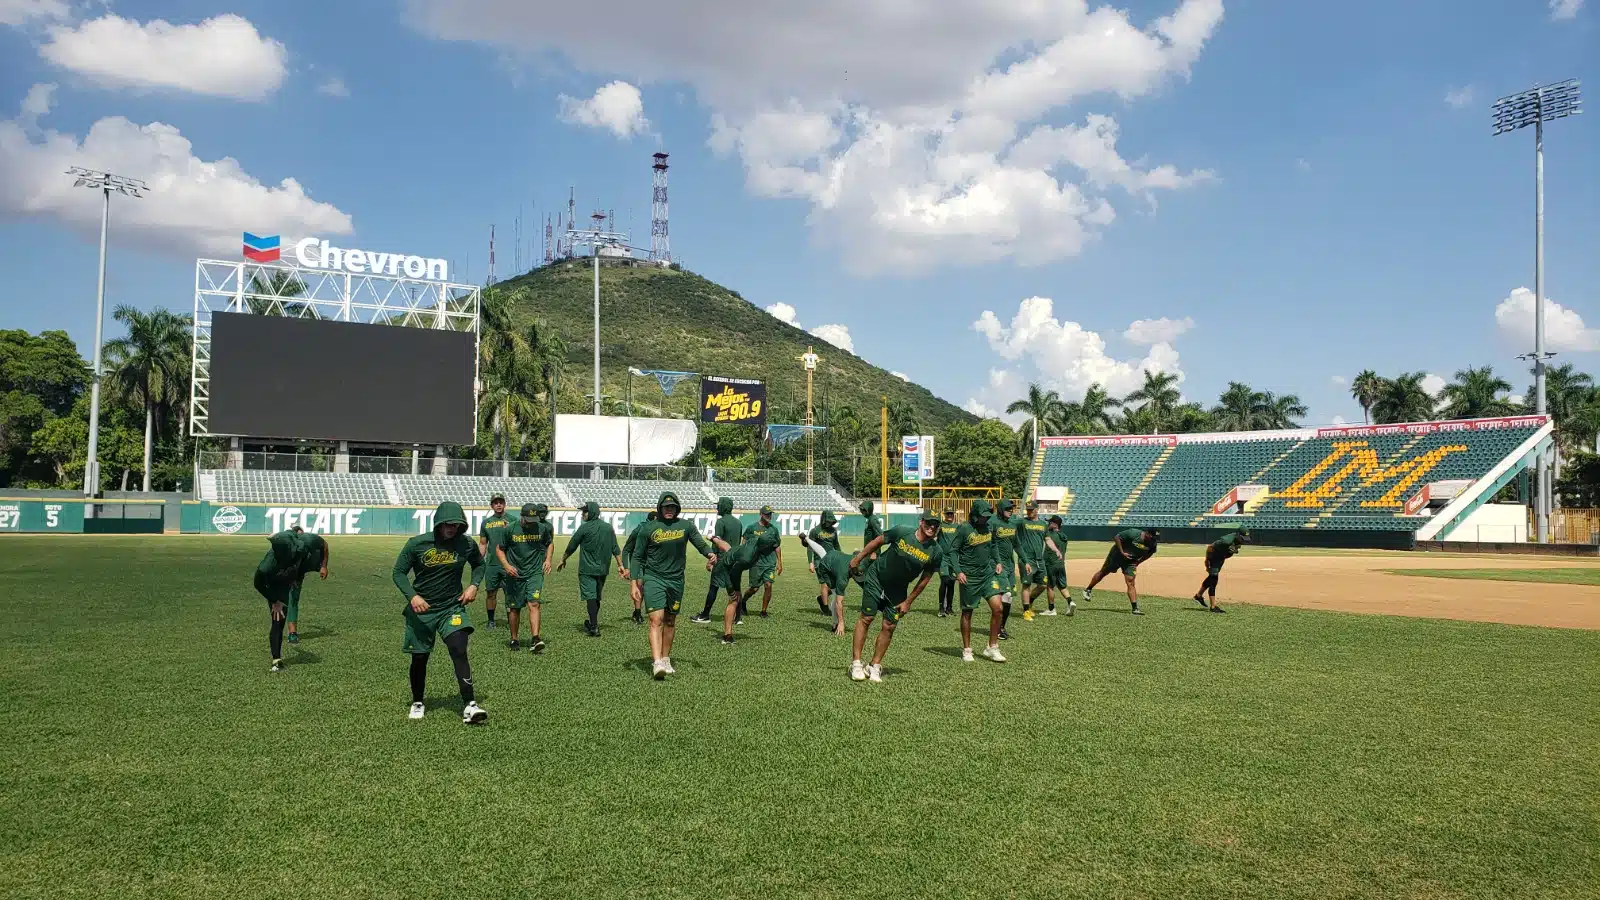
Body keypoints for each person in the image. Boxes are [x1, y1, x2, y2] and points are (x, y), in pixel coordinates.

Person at [393, 501, 487, 723]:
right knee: (419, 657)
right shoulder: (417, 544)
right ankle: (418, 701)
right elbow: (398, 572)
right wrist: (413, 597)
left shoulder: (466, 544)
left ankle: (470, 705)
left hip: (451, 607)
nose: (452, 529)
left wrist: (474, 585)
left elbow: (479, 565)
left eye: (456, 525)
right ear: (438, 524)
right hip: (422, 610)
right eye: (447, 524)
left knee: (459, 647)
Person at [628, 492, 729, 679]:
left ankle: (666, 659)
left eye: (673, 507)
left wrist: (709, 553)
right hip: (654, 578)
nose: (669, 510)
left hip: (676, 581)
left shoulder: (685, 526)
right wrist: (634, 584)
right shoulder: (648, 528)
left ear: (677, 509)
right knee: (655, 619)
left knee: (670, 620)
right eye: (666, 507)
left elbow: (699, 543)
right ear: (660, 508)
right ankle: (657, 662)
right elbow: (637, 557)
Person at [847, 510, 945, 683]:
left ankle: (874, 665)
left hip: (899, 590)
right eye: (929, 522)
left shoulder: (936, 552)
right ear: (921, 522)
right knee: (867, 618)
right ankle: (856, 664)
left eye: (936, 524)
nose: (932, 527)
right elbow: (878, 541)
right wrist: (859, 558)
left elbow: (925, 579)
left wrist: (908, 601)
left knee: (889, 625)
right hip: (876, 577)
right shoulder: (902, 531)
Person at [252, 525, 328, 672]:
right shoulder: (267, 565)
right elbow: (258, 584)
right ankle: (277, 660)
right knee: (278, 619)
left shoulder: (306, 541)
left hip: (291, 577)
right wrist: (275, 601)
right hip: (275, 584)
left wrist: (323, 566)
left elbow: (323, 544)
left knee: (284, 612)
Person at [949, 500, 1007, 664]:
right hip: (969, 577)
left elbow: (994, 544)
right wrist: (958, 571)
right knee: (967, 613)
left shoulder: (989, 527)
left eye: (987, 516)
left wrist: (997, 561)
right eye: (982, 516)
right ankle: (967, 650)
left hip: (988, 575)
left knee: (998, 608)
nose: (985, 519)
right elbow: (952, 551)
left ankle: (992, 647)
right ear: (974, 515)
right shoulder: (964, 529)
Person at [494, 502, 555, 653]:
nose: (531, 523)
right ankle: (514, 638)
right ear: (522, 516)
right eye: (528, 520)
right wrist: (507, 566)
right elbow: (499, 550)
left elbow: (549, 544)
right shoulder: (510, 529)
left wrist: (548, 560)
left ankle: (536, 638)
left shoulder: (542, 528)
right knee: (514, 608)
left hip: (534, 572)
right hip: (515, 574)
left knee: (534, 603)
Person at [559, 501, 623, 635]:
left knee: (591, 597)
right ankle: (592, 622)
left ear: (592, 512)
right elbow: (615, 548)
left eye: (584, 512)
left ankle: (594, 626)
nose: (582, 514)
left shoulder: (584, 528)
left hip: (587, 569)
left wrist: (563, 559)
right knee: (596, 597)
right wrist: (620, 565)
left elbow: (572, 545)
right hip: (602, 569)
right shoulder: (608, 527)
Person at [717, 525, 784, 644]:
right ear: (765, 547)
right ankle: (727, 636)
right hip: (727, 569)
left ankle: (714, 538)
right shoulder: (747, 558)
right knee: (733, 600)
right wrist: (732, 589)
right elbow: (732, 572)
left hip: (733, 561)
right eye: (771, 547)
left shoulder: (757, 541)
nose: (772, 550)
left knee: (737, 598)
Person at [691, 497, 745, 625]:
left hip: (723, 559)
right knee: (736, 588)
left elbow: (717, 541)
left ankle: (705, 615)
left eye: (718, 505)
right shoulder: (738, 523)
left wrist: (711, 559)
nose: (717, 508)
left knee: (714, 587)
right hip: (735, 560)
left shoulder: (720, 522)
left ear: (723, 507)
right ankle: (737, 617)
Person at [1082, 527, 1159, 615]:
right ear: (1147, 533)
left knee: (1131, 581)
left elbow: (1150, 553)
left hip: (1131, 561)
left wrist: (1138, 562)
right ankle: (1088, 589)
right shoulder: (1133, 533)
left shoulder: (1153, 543)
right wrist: (1122, 552)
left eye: (1155, 538)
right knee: (1104, 572)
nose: (1153, 539)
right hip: (1116, 556)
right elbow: (1117, 537)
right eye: (1152, 537)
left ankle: (1135, 608)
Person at [800, 527, 852, 637]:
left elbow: (822, 551)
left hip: (834, 558)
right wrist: (841, 623)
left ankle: (835, 623)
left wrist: (807, 540)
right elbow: (839, 602)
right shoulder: (843, 572)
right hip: (828, 565)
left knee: (835, 594)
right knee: (836, 595)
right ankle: (835, 624)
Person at [1195, 528, 1250, 613]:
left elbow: (1229, 553)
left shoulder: (1238, 541)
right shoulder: (1226, 541)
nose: (1243, 541)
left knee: (1211, 577)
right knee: (1214, 580)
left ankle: (1198, 596)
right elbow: (1210, 547)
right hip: (1214, 556)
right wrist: (1207, 560)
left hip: (1220, 557)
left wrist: (1231, 552)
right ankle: (1213, 606)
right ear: (1238, 535)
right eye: (1242, 538)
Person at [990, 499, 1022, 639]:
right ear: (1001, 509)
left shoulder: (1013, 524)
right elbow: (991, 544)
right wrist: (997, 561)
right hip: (998, 566)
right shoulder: (993, 523)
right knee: (1006, 595)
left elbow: (1017, 545)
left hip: (1010, 566)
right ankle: (999, 627)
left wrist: (1025, 561)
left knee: (1008, 599)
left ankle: (1001, 627)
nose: (1011, 511)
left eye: (1012, 509)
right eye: (1008, 508)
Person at [744, 505, 783, 618]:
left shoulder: (773, 530)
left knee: (768, 585)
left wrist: (780, 563)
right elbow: (744, 542)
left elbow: (777, 546)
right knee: (754, 588)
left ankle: (763, 611)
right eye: (766, 514)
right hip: (755, 562)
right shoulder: (751, 528)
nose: (769, 516)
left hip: (770, 563)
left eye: (770, 514)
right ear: (761, 514)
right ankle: (743, 601)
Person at [478, 494, 510, 628]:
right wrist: (479, 560)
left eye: (501, 502)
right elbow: (483, 543)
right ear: (491, 505)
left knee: (510, 594)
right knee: (491, 593)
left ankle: (511, 620)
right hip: (492, 564)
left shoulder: (513, 520)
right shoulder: (486, 522)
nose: (498, 505)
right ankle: (491, 621)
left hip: (509, 564)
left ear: (504, 504)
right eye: (495, 502)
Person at [620, 511, 657, 625]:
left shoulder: (660, 531)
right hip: (639, 562)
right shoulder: (639, 530)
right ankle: (637, 613)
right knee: (639, 586)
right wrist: (626, 567)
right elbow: (626, 549)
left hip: (652, 563)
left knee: (651, 587)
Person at [806, 510, 843, 617]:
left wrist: (841, 558)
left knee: (836, 585)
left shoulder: (833, 531)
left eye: (832, 521)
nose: (830, 523)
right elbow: (810, 547)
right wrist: (810, 562)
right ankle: (826, 608)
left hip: (832, 560)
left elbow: (836, 545)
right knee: (825, 584)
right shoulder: (815, 531)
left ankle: (821, 598)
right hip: (819, 561)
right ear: (823, 520)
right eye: (828, 521)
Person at [1017, 500, 1049, 621]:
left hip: (1039, 560)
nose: (1029, 512)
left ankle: (1029, 602)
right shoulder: (1022, 522)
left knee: (1043, 585)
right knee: (1027, 584)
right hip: (1027, 559)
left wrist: (1056, 550)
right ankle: (1026, 611)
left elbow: (1047, 539)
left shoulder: (1043, 524)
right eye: (1028, 510)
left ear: (1037, 510)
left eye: (1031, 510)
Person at [1040, 515, 1072, 616]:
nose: (1048, 524)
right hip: (1061, 564)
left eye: (1050, 522)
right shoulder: (1064, 536)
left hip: (1051, 564)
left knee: (1050, 586)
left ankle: (1051, 609)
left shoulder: (1050, 534)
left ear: (1054, 524)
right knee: (1062, 585)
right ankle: (1070, 602)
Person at [936, 508, 959, 617]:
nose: (950, 515)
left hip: (954, 559)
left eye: (951, 513)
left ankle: (949, 608)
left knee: (951, 583)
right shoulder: (941, 525)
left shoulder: (957, 527)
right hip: (943, 558)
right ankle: (941, 608)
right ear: (944, 514)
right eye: (948, 513)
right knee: (944, 580)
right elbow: (934, 535)